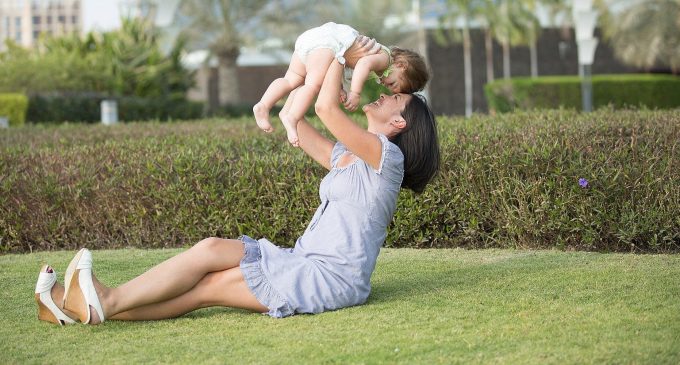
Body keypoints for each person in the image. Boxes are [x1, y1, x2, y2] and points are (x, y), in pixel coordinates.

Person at [33, 42, 440, 324]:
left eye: (395, 100)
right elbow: (297, 121)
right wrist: (317, 68)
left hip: (330, 279)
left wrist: (339, 47)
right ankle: (74, 306)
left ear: (399, 123)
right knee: (210, 250)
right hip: (300, 258)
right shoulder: (350, 157)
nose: (385, 94)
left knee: (210, 288)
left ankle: (102, 302)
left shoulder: (388, 159)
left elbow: (326, 108)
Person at [253, 22, 429, 147]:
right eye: (393, 85)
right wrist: (355, 93)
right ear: (401, 66)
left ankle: (263, 105)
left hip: (314, 40)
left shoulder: (382, 62)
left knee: (292, 79)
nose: (387, 87)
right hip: (329, 43)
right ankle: (292, 117)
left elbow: (342, 63)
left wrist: (339, 88)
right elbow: (362, 64)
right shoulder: (385, 59)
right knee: (313, 85)